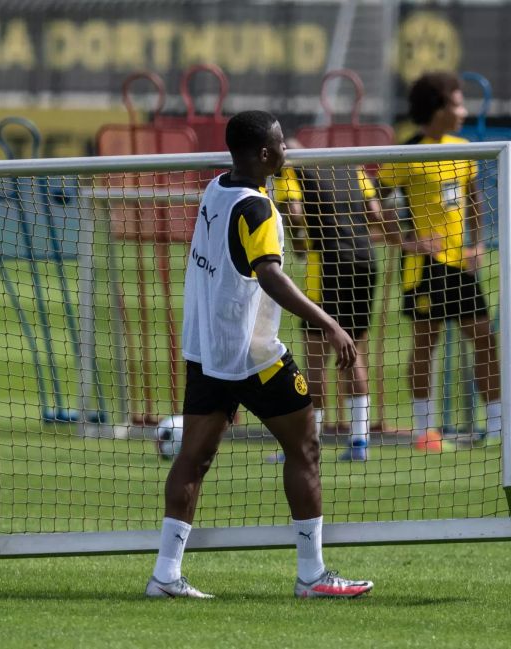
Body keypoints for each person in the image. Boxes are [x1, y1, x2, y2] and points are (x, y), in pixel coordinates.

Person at [145, 111, 374, 599]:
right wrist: (329, 324)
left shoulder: (215, 188)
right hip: (254, 352)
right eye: (282, 145)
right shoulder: (258, 210)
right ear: (266, 154)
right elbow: (269, 274)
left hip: (207, 349)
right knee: (305, 448)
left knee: (194, 457)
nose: (288, 151)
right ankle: (311, 575)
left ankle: (165, 575)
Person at [376, 71, 502, 443]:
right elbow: (375, 202)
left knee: (484, 338)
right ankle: (424, 429)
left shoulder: (462, 148)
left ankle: (496, 428)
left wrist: (477, 243)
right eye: (457, 103)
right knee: (425, 342)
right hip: (423, 267)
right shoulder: (407, 153)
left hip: (459, 263)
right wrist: (404, 242)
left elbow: (475, 199)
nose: (463, 111)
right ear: (437, 108)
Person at [270, 143, 384, 461]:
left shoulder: (291, 169)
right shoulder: (350, 165)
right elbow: (375, 212)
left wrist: (299, 246)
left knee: (316, 354)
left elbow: (292, 212)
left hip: (328, 262)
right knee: (353, 350)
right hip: (365, 261)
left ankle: (309, 443)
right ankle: (359, 442)